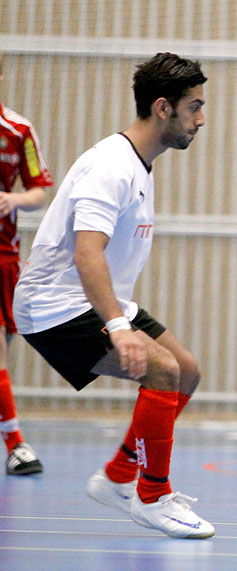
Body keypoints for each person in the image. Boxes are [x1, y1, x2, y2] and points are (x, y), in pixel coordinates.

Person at [13, 52, 214, 539]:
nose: (201, 120)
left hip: (89, 298)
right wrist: (120, 328)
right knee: (161, 369)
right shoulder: (112, 166)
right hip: (55, 306)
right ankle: (153, 495)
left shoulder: (139, 164)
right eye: (194, 107)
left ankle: (120, 476)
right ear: (163, 108)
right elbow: (88, 254)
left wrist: (120, 317)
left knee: (185, 369)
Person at [0, 50, 53, 476]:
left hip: (4, 256)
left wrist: (12, 199)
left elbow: (38, 189)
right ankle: (16, 444)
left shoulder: (18, 130)